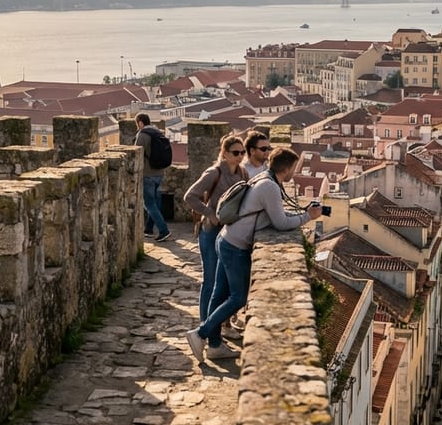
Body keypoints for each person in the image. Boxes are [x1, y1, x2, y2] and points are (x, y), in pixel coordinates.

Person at [186, 147, 322, 362]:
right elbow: (280, 223)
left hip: (226, 237)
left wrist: (299, 211)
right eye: (294, 168)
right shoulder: (269, 186)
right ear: (286, 168)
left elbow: (273, 213)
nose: (294, 172)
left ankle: (214, 345)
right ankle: (201, 334)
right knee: (238, 297)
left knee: (219, 294)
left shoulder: (264, 178)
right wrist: (308, 216)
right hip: (236, 246)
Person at [183, 134, 248, 322]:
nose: (240, 156)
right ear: (224, 153)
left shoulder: (242, 173)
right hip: (211, 231)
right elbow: (190, 196)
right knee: (210, 281)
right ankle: (205, 324)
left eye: (242, 152)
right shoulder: (214, 172)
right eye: (236, 152)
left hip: (230, 233)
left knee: (225, 282)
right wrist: (209, 213)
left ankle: (221, 324)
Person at [133, 114, 170, 241]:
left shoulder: (143, 134)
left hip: (147, 174)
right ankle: (148, 229)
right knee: (155, 202)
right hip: (159, 173)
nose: (137, 126)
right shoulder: (158, 132)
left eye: (137, 123)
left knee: (149, 204)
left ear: (141, 122)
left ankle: (163, 230)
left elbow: (136, 152)